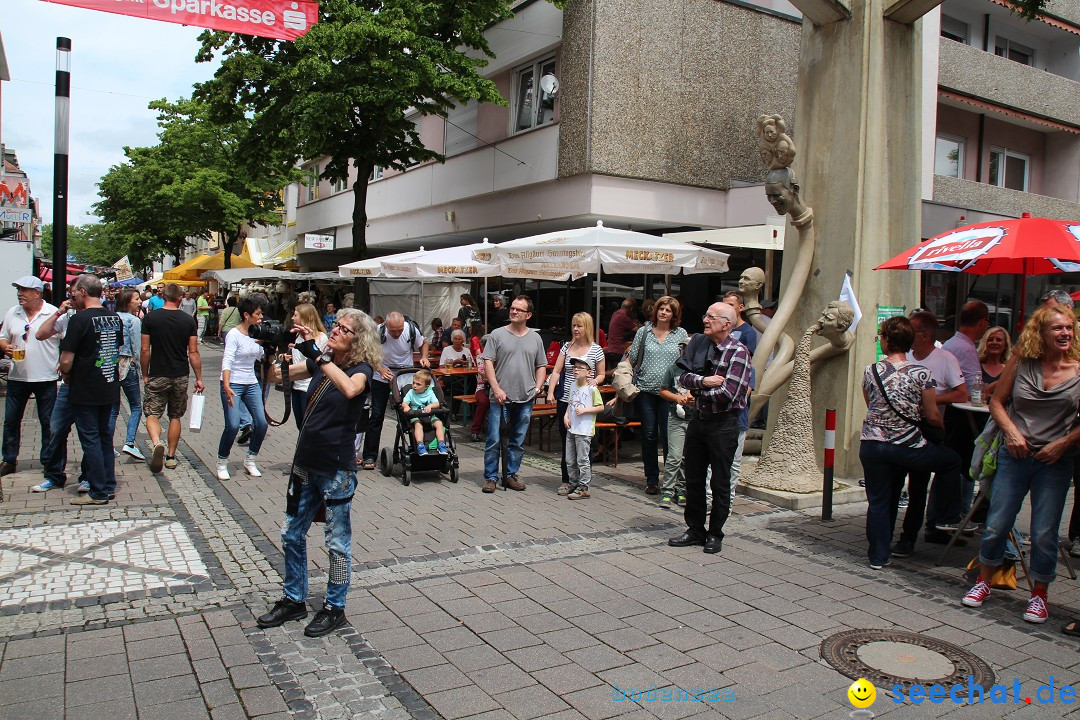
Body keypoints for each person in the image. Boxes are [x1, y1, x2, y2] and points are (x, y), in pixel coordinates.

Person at [257, 308, 379, 638]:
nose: (335, 331)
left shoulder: (360, 369)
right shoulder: (321, 363)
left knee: (337, 542)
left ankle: (334, 607)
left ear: (358, 340)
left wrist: (319, 356)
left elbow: (351, 390)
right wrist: (271, 352)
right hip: (305, 462)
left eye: (343, 329)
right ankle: (294, 599)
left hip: (336, 467)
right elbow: (275, 378)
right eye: (334, 326)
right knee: (291, 533)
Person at [962, 305, 1080, 624]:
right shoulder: (1022, 361)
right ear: (1040, 333)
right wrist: (1012, 433)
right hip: (1014, 456)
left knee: (1044, 531)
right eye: (1057, 328)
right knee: (998, 522)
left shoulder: (1078, 368)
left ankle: (1039, 595)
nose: (1065, 333)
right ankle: (984, 581)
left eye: (1069, 327)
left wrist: (1063, 443)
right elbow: (997, 401)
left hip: (1054, 461)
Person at [859, 316, 959, 569]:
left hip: (872, 443)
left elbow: (870, 404)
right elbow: (932, 414)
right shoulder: (922, 374)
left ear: (888, 340)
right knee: (951, 461)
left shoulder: (871, 371)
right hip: (907, 446)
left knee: (879, 500)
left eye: (881, 335)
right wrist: (940, 430)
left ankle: (878, 556)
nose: (880, 339)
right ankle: (947, 516)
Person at [668, 302, 752, 554]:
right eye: (705, 315)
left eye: (711, 317)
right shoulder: (697, 343)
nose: (705, 319)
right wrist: (704, 381)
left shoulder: (739, 352)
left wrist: (698, 390)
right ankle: (695, 529)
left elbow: (730, 392)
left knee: (720, 482)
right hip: (699, 421)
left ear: (726, 324)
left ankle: (715, 533)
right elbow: (681, 377)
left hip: (723, 425)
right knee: (693, 479)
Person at [904, 310, 968, 548]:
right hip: (903, 429)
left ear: (924, 335)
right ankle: (908, 535)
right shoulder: (905, 357)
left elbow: (962, 393)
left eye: (911, 330)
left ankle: (924, 530)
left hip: (929, 429)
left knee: (920, 484)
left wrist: (930, 399)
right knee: (908, 485)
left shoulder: (945, 359)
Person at [60, 275, 124, 506]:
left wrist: (65, 372)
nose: (73, 296)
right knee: (105, 437)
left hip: (85, 386)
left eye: (74, 292)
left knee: (91, 439)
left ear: (84, 292)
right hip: (109, 384)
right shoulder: (114, 317)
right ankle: (107, 484)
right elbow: (115, 347)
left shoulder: (80, 320)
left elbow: (66, 361)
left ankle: (97, 492)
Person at [481, 295, 547, 493]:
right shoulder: (497, 335)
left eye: (519, 309)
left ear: (528, 314)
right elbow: (487, 363)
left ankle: (510, 475)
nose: (513, 311)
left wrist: (537, 387)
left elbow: (541, 365)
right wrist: (496, 388)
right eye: (512, 308)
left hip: (525, 397)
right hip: (500, 398)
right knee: (494, 438)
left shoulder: (535, 338)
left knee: (518, 439)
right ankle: (491, 477)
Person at [626, 297, 688, 495]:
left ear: (674, 314)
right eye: (661, 309)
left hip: (671, 393)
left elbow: (686, 364)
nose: (663, 313)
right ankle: (651, 479)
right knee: (649, 435)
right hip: (645, 390)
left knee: (670, 438)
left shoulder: (681, 334)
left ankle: (672, 480)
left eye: (668, 310)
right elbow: (632, 359)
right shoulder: (644, 332)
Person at [0, 276, 60, 477]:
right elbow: (2, 337)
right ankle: (9, 459)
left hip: (46, 376)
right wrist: (5, 347)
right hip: (17, 377)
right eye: (18, 290)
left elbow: (67, 340)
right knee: (11, 420)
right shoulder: (13, 312)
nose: (19, 294)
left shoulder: (52, 313)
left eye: (24, 290)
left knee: (48, 422)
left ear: (37, 293)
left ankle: (48, 461)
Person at [142, 283, 205, 473]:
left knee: (152, 414)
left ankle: (155, 442)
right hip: (180, 374)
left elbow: (145, 349)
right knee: (175, 416)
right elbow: (193, 352)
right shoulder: (188, 321)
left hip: (158, 372)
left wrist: (145, 373)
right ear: (180, 298)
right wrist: (199, 377)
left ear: (163, 297)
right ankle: (170, 456)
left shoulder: (150, 318)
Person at [360, 312, 430, 470]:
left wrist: (424, 356)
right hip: (381, 377)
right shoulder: (378, 331)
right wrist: (379, 368)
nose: (397, 334)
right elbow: (367, 353)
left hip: (404, 376)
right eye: (393, 331)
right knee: (377, 415)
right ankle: (369, 456)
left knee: (409, 414)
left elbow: (423, 343)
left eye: (399, 330)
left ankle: (417, 448)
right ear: (386, 325)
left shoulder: (411, 329)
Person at [545, 312, 606, 494]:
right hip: (566, 400)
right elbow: (556, 371)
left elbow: (602, 373)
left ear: (587, 327)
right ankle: (568, 479)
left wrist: (596, 380)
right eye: (573, 325)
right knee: (567, 441)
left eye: (579, 326)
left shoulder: (596, 349)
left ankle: (583, 481)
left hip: (585, 402)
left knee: (584, 441)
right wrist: (550, 392)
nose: (576, 329)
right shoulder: (566, 347)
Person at [940, 301, 990, 520]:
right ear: (982, 322)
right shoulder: (966, 348)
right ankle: (959, 515)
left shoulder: (952, 343)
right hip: (961, 418)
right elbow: (971, 391)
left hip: (953, 416)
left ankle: (952, 514)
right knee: (966, 467)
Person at [217, 298, 269, 480]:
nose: (261, 318)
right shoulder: (234, 334)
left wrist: (271, 350)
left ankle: (250, 459)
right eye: (258, 314)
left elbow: (261, 357)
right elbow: (228, 359)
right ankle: (222, 462)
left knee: (261, 423)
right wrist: (226, 384)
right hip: (233, 383)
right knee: (232, 425)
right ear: (246, 315)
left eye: (262, 314)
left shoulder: (257, 334)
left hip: (251, 382)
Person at [722, 290, 759, 499]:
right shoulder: (721, 330)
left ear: (741, 308)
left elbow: (746, 365)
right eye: (724, 304)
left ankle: (728, 498)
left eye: (731, 305)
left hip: (737, 402)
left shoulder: (747, 332)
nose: (727, 308)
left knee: (734, 459)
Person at [563, 357, 604, 500]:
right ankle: (574, 483)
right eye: (575, 367)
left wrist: (585, 410)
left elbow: (601, 407)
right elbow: (570, 403)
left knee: (582, 459)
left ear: (589, 372)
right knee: (570, 459)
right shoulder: (573, 385)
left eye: (580, 368)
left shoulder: (592, 388)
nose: (576, 370)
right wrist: (566, 416)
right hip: (572, 427)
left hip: (584, 430)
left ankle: (584, 487)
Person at [658, 340, 692, 509]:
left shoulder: (701, 370)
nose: (685, 351)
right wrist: (677, 398)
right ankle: (667, 490)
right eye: (683, 348)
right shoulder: (673, 369)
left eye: (689, 348)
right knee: (675, 456)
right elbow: (663, 390)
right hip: (676, 417)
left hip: (694, 418)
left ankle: (681, 489)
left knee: (687, 457)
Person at [112, 288, 145, 461]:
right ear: (127, 302)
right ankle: (130, 443)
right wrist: (141, 370)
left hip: (112, 365)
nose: (140, 302)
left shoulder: (111, 318)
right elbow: (136, 347)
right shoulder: (134, 320)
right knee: (136, 406)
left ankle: (107, 445)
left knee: (112, 408)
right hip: (128, 364)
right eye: (136, 299)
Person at [288, 303, 328, 430]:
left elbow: (314, 363)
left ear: (305, 318)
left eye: (295, 315)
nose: (292, 318)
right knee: (300, 426)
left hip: (309, 388)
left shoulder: (321, 338)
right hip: (296, 386)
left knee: (309, 426)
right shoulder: (297, 336)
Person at [403, 369, 448, 455]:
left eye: (418, 384)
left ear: (426, 387)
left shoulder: (430, 392)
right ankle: (420, 445)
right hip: (416, 415)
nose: (414, 386)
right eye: (413, 383)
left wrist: (430, 406)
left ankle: (441, 444)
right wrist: (406, 407)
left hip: (430, 415)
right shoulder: (411, 392)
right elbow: (405, 402)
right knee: (418, 425)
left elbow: (437, 403)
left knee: (439, 424)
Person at [605, 298, 640, 373]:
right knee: (620, 374)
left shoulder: (616, 313)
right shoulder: (625, 316)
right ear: (632, 308)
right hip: (618, 351)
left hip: (611, 349)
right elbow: (639, 330)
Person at [978, 325, 1011, 394]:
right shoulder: (976, 366)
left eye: (999, 340)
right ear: (985, 343)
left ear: (1005, 345)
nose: (994, 342)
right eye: (990, 340)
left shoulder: (1009, 369)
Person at [469, 336, 490, 442]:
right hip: (482, 387)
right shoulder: (480, 357)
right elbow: (484, 376)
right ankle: (475, 431)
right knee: (484, 402)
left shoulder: (500, 356)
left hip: (498, 386)